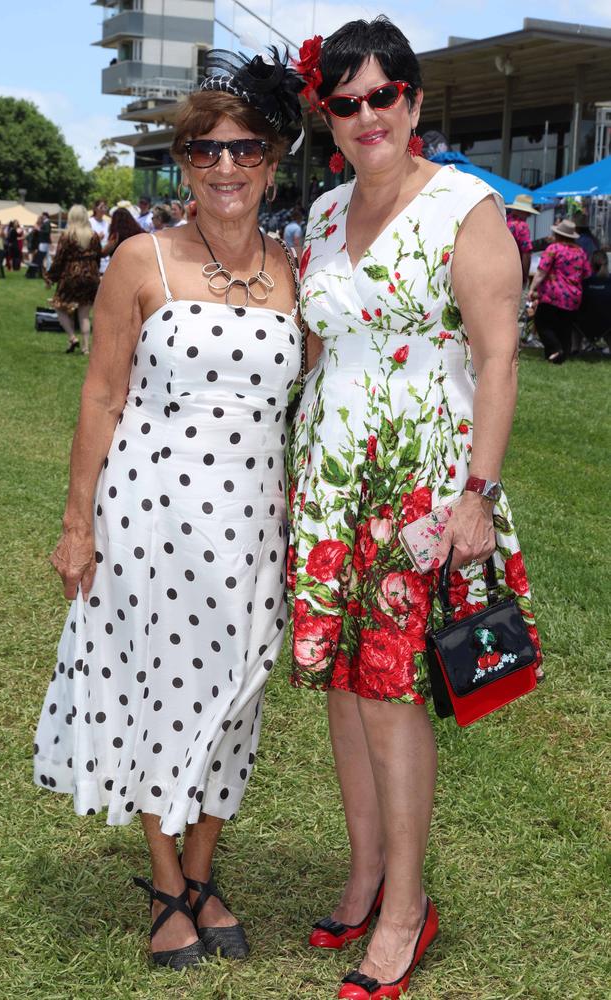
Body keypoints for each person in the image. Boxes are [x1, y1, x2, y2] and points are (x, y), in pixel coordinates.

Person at [33, 46, 304, 972]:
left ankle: (203, 868)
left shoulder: (295, 268)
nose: (226, 166)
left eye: (246, 148)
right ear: (182, 163)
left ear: (275, 158)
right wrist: (77, 526)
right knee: (158, 693)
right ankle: (163, 883)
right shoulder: (138, 261)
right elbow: (101, 398)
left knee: (236, 697)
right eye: (204, 150)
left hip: (254, 528)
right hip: (149, 521)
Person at [287, 19, 543, 1000]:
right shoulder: (317, 216)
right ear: (330, 117)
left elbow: (494, 359)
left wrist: (473, 496)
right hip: (327, 483)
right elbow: (316, 351)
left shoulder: (463, 208)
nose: (364, 117)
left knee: (391, 696)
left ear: (413, 101)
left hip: (417, 486)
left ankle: (405, 907)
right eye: (343, 103)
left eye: (380, 96)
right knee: (344, 690)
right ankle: (362, 876)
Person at [528, 218, 592, 363]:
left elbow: (541, 272)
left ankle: (556, 349)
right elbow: (587, 273)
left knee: (542, 322)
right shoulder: (580, 252)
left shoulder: (553, 249)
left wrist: (532, 289)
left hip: (552, 294)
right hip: (574, 297)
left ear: (558, 235)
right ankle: (561, 354)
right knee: (564, 326)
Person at [43, 205, 101, 355]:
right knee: (84, 314)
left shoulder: (67, 235)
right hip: (91, 276)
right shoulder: (93, 235)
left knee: (58, 305)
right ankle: (86, 347)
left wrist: (50, 277)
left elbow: (59, 259)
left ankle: (72, 337)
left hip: (71, 276)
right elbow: (98, 256)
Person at [505, 194, 538, 286]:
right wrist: (525, 277)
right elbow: (526, 254)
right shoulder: (522, 226)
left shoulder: (504, 220)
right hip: (512, 272)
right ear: (523, 211)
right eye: (528, 212)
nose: (529, 215)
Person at [90, 199, 111, 274]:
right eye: (101, 207)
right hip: (93, 255)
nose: (103, 210)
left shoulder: (107, 224)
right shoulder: (90, 222)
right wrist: (97, 238)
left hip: (105, 256)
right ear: (95, 208)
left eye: (105, 207)